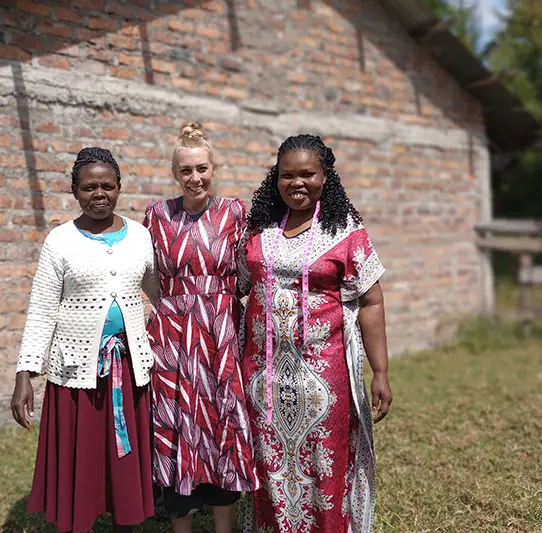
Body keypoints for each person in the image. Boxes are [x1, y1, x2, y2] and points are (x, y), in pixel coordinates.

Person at [238, 134, 393, 533]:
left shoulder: (345, 232)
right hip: (264, 377)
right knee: (270, 463)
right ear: (277, 179)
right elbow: (235, 285)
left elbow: (371, 301)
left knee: (326, 464)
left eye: (307, 173)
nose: (297, 183)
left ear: (325, 176)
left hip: (325, 379)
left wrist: (380, 372)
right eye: (287, 175)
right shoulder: (259, 230)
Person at [11, 147, 160, 533]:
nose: (99, 194)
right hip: (77, 374)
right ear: (74, 191)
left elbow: (161, 295)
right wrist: (25, 373)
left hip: (128, 371)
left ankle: (124, 524)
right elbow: (42, 309)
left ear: (119, 189)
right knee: (83, 464)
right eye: (89, 187)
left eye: (107, 186)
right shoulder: (60, 241)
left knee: (122, 464)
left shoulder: (140, 237)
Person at [144, 123, 259, 533]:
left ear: (214, 169)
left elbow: (246, 275)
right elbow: (149, 274)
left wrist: (219, 304)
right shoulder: (157, 215)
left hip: (219, 334)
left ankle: (224, 527)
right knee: (176, 425)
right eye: (186, 170)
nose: (195, 178)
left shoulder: (234, 212)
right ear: (175, 174)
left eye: (202, 168)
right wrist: (172, 310)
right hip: (173, 336)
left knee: (220, 421)